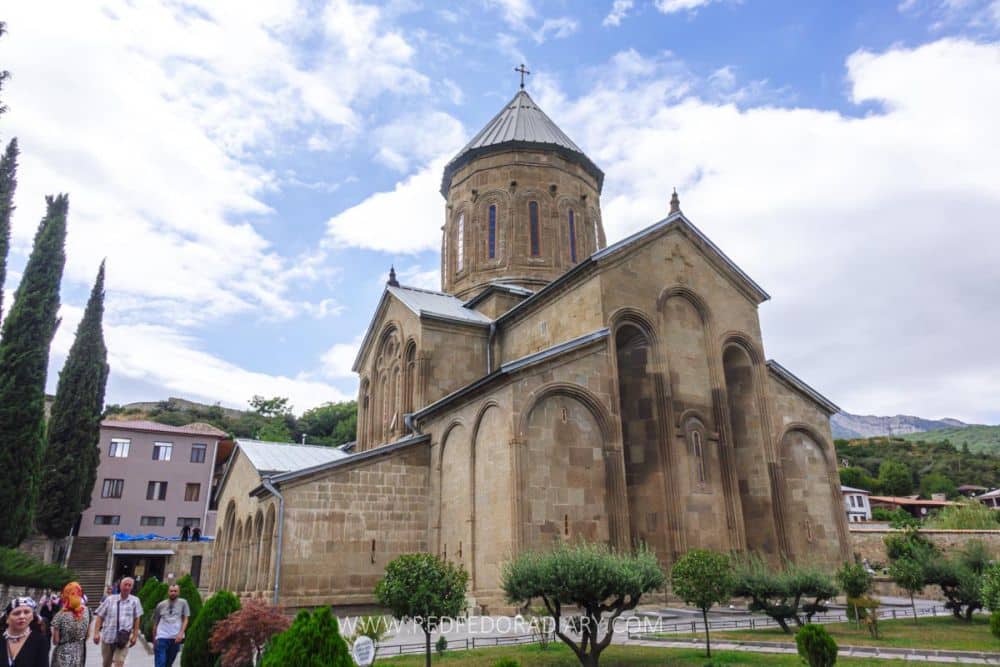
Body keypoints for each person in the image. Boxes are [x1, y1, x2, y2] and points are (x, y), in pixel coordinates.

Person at [92, 577, 141, 667]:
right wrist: (96, 633)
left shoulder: (135, 601)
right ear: (120, 586)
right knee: (106, 664)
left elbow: (137, 618)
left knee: (119, 663)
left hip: (123, 638)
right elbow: (100, 616)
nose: (127, 587)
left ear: (132, 587)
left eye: (129, 585)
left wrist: (135, 635)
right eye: (125, 585)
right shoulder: (110, 599)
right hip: (108, 637)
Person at [51, 583, 91, 667]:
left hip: (63, 654)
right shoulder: (88, 611)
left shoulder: (59, 616)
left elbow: (56, 641)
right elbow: (87, 635)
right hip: (79, 653)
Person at [1, 596, 49, 666]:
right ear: (7, 618)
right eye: (17, 613)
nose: (22, 616)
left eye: (26, 612)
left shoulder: (40, 640)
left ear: (32, 616)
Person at [152, 584, 189, 667]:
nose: (173, 593)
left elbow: (185, 619)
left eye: (175, 591)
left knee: (169, 663)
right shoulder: (161, 605)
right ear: (168, 592)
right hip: (162, 636)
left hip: (175, 637)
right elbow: (155, 623)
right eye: (171, 591)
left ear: (179, 592)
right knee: (160, 663)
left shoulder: (183, 603)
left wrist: (181, 633)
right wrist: (154, 639)